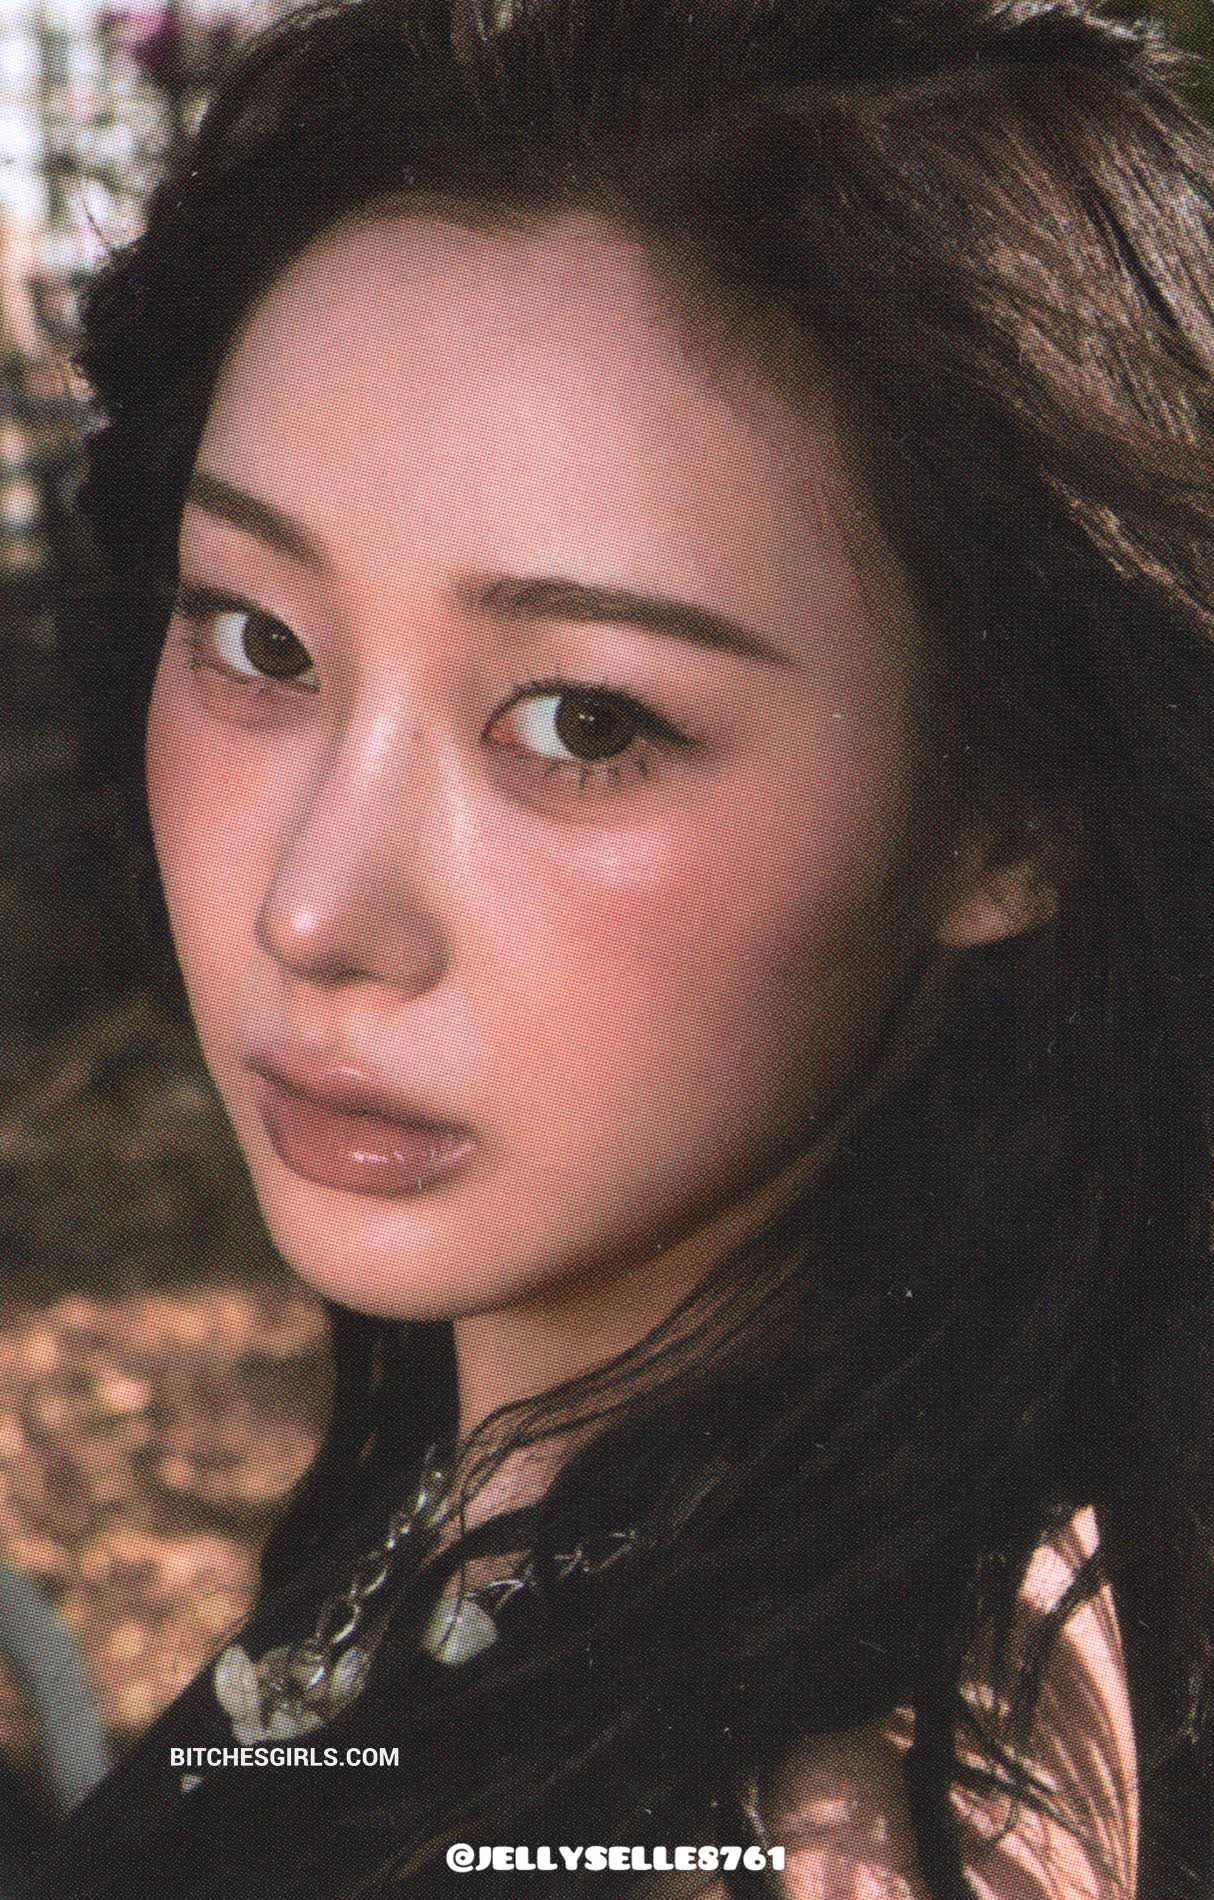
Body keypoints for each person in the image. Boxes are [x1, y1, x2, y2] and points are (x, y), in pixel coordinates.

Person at [39, 0, 1214, 1894]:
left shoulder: (787, 1825)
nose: (312, 912)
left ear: (1010, 812)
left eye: (581, 723)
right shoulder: (604, 1503)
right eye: (260, 641)